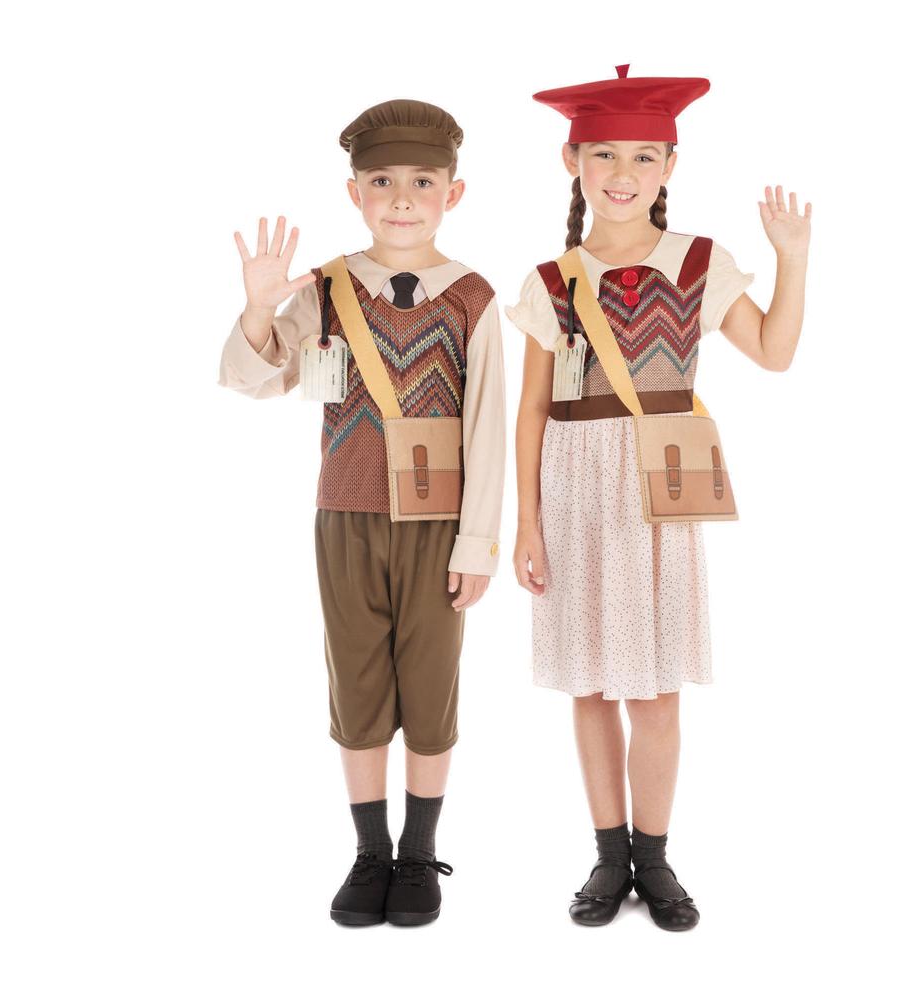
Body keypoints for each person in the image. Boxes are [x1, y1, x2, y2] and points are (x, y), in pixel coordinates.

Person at [503, 64, 812, 930]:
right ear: (573, 161)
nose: (622, 173)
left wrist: (792, 260)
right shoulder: (552, 279)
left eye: (643, 155)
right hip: (575, 487)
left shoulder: (699, 263)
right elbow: (531, 410)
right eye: (604, 153)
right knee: (591, 685)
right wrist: (526, 521)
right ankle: (609, 857)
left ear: (670, 165)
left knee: (656, 689)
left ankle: (656, 855)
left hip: (657, 488)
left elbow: (775, 352)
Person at [217, 99, 505, 927]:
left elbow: (486, 423)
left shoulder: (473, 297)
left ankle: (418, 853)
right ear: (355, 193)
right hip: (345, 515)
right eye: (382, 182)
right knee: (356, 684)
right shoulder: (327, 289)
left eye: (423, 182)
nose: (402, 199)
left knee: (431, 687)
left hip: (440, 526)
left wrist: (478, 543)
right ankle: (369, 851)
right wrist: (261, 308)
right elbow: (253, 378)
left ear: (454, 193)